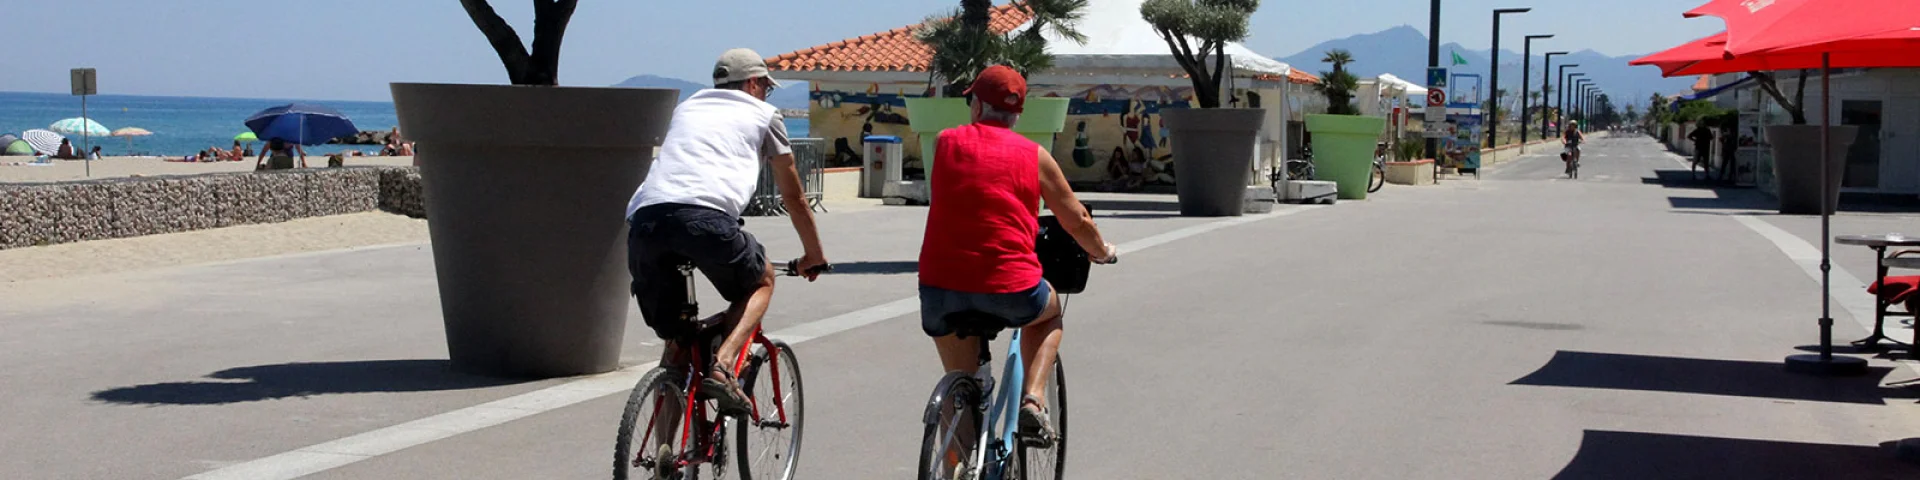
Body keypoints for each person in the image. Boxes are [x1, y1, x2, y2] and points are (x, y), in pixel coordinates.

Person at [919, 65, 1116, 445]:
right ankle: (1034, 401)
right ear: (1018, 114)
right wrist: (1102, 251)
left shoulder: (945, 142)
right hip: (1010, 287)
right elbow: (1075, 220)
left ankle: (956, 462)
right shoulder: (1034, 155)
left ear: (976, 105)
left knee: (960, 399)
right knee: (1049, 311)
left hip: (940, 288)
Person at [626, 48, 828, 415]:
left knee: (677, 345)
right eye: (766, 87)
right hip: (705, 218)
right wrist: (813, 255)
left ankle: (663, 463)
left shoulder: (688, 108)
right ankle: (723, 364)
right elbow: (794, 195)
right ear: (753, 83)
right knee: (762, 278)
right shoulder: (764, 114)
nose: (767, 95)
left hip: (645, 222)